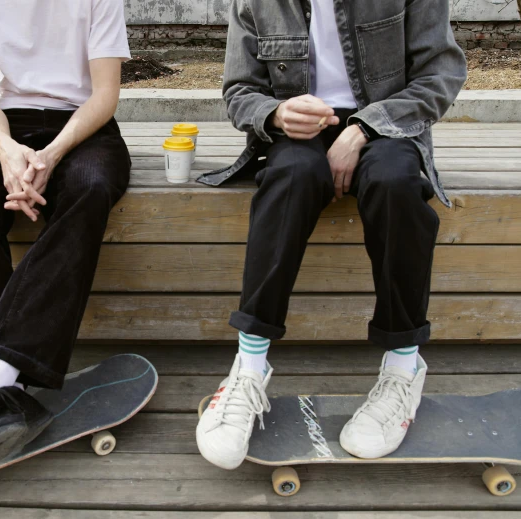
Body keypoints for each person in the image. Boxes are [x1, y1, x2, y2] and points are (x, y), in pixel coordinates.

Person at [196, 0, 467, 469]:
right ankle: (249, 368)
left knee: (395, 184)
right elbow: (239, 91)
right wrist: (277, 115)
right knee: (290, 179)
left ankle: (403, 368)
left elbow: (440, 75)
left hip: (387, 127)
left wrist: (363, 127)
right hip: (298, 136)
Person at [0, 0, 131, 465]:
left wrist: (51, 155)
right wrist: (7, 153)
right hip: (6, 124)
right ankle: (7, 385)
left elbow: (105, 94)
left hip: (83, 122)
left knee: (92, 187)